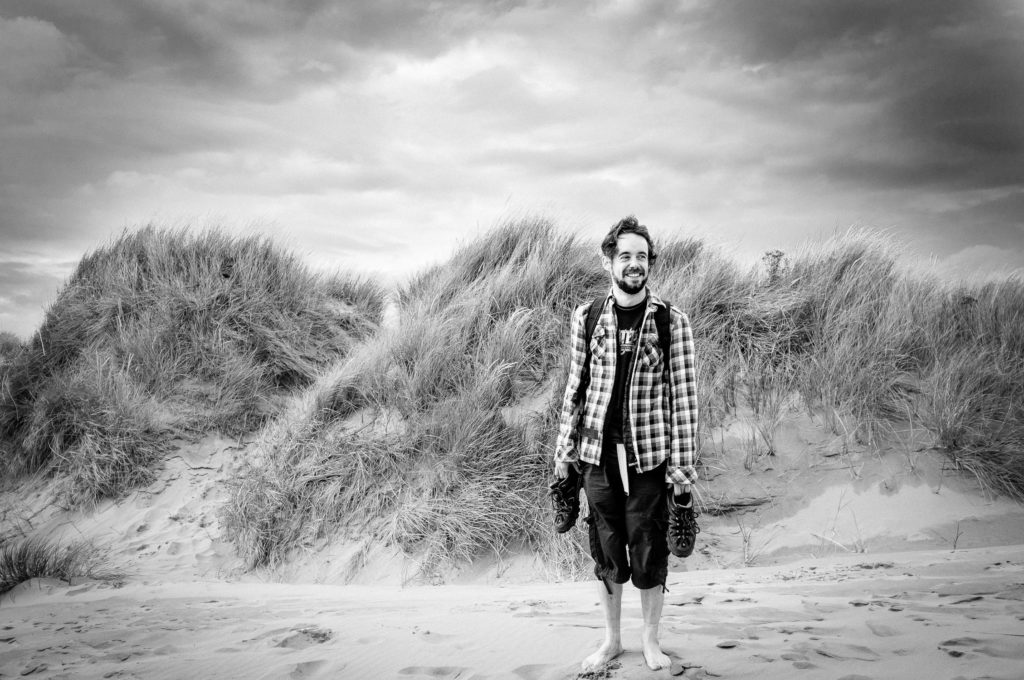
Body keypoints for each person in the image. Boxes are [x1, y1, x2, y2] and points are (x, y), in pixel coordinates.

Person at [553, 215, 699, 672]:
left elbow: (685, 398)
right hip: (596, 456)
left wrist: (681, 472)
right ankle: (612, 640)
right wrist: (564, 453)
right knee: (606, 549)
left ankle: (651, 641)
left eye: (641, 256)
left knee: (650, 551)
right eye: (625, 256)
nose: (634, 264)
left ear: (649, 263)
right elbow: (574, 389)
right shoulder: (587, 317)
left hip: (649, 457)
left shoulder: (672, 321)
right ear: (608, 261)